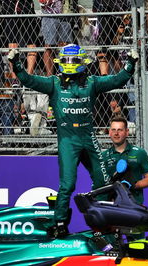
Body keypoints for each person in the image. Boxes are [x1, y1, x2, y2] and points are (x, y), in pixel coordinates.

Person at [8, 44, 138, 237]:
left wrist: (130, 64)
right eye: (67, 60)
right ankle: (59, 223)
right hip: (68, 140)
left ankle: (100, 223)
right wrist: (16, 64)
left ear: (82, 62)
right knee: (67, 184)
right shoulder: (54, 83)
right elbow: (29, 80)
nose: (70, 64)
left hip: (88, 137)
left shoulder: (92, 82)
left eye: (73, 60)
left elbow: (116, 80)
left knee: (103, 181)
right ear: (60, 62)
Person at [102, 116, 148, 205]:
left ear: (127, 132)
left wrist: (133, 185)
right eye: (113, 130)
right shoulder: (103, 156)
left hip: (135, 204)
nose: (116, 133)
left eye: (120, 130)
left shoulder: (139, 153)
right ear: (109, 132)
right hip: (112, 206)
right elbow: (100, 182)